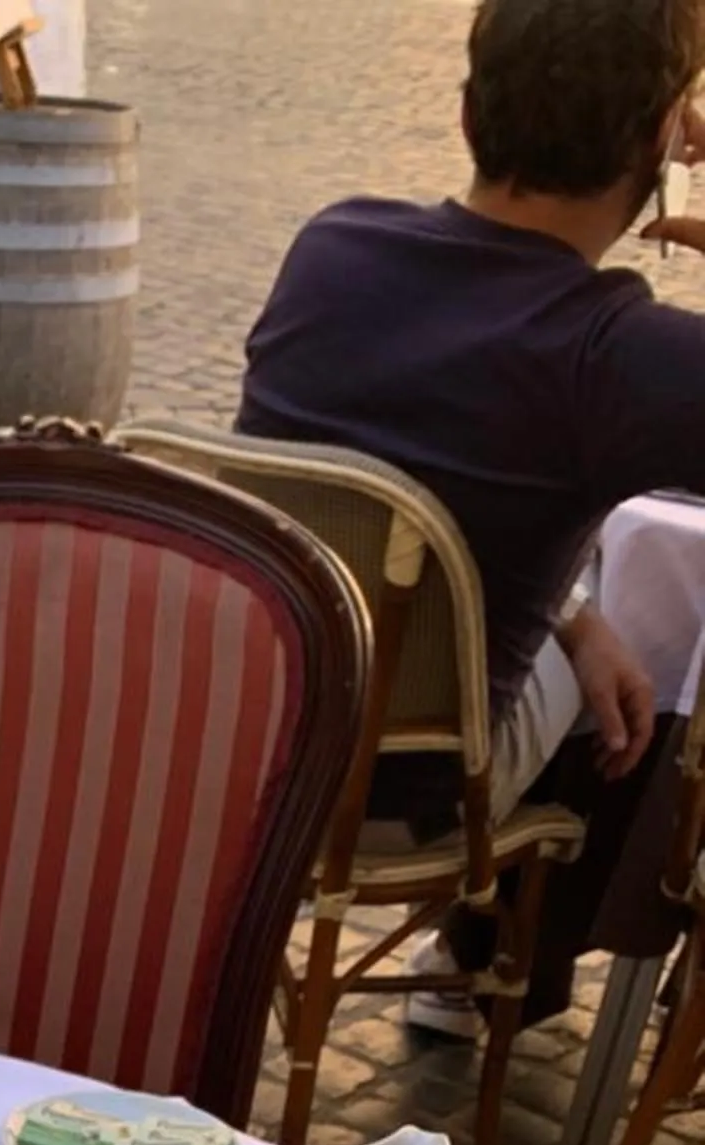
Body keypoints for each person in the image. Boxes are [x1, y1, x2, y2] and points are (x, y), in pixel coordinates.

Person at [238, 0, 705, 1035]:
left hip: (248, 730)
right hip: (408, 796)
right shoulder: (619, 356)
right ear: (668, 137)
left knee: (607, 608)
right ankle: (491, 960)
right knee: (665, 636)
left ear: (464, 115)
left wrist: (575, 616)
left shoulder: (333, 244)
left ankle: (484, 954)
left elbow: (392, 496)